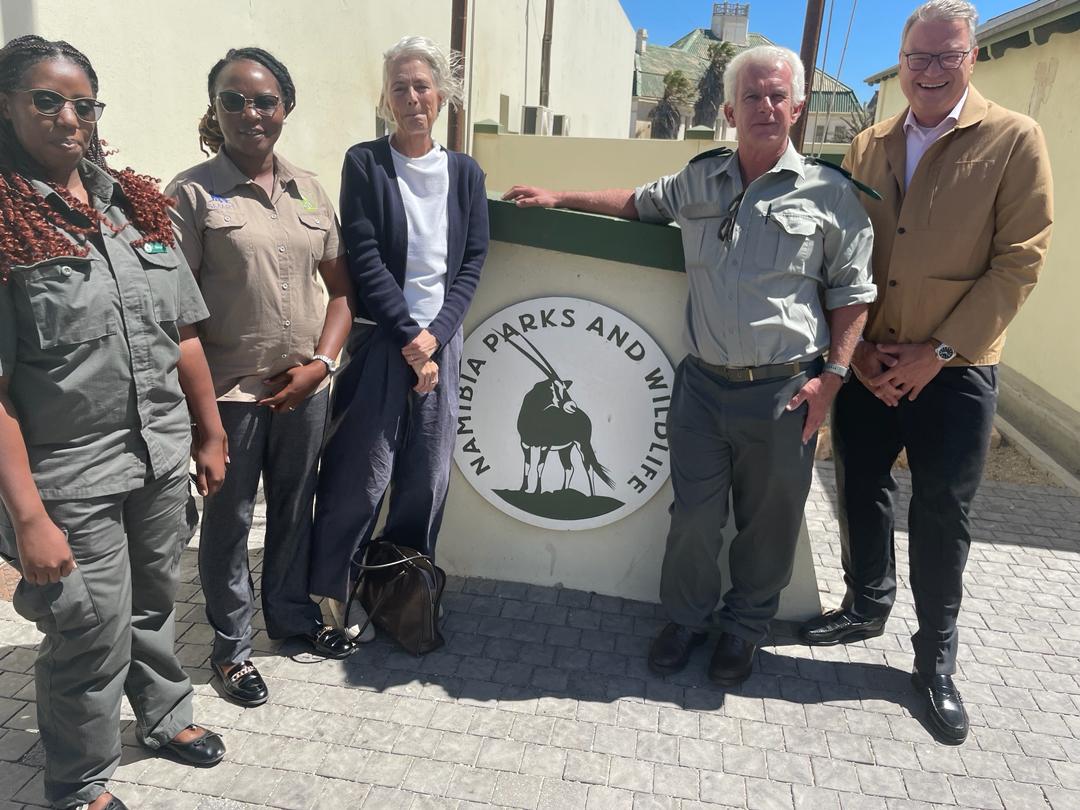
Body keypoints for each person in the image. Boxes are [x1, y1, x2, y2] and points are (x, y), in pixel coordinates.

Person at [504, 45, 876, 685]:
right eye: (752, 97)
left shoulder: (831, 193)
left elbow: (853, 292)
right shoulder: (700, 179)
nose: (765, 107)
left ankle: (744, 630)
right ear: (730, 109)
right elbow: (635, 202)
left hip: (786, 388)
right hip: (702, 387)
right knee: (694, 520)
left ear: (798, 107)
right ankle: (685, 619)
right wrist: (557, 196)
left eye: (777, 96)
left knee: (769, 523)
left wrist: (832, 381)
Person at [798, 0, 1053, 745]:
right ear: (901, 62)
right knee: (859, 487)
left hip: (957, 369)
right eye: (919, 58)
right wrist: (864, 348)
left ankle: (934, 659)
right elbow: (841, 250)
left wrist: (936, 353)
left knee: (943, 511)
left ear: (972, 58)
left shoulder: (1013, 138)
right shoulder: (869, 143)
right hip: (872, 358)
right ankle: (864, 606)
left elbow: (1020, 260)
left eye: (947, 56)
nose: (932, 71)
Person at [0, 35, 229, 810]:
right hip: (67, 475)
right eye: (47, 100)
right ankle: (79, 784)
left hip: (158, 455)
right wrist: (28, 516)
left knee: (156, 602)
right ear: (7, 106)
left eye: (83, 103)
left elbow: (184, 332)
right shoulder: (4, 223)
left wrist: (209, 430)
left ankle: (164, 716)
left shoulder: (135, 205)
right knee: (88, 633)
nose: (70, 118)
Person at [167, 47, 358, 707]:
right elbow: (177, 316)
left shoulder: (309, 187)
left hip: (303, 388)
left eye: (265, 101)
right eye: (234, 100)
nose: (251, 113)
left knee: (294, 509)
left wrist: (321, 366)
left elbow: (341, 292)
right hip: (229, 393)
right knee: (227, 521)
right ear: (215, 109)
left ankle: (292, 618)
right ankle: (231, 649)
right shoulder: (190, 192)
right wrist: (202, 419)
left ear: (286, 108)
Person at [310, 35, 489, 633]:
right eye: (399, 88)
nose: (412, 98)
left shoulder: (465, 173)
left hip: (442, 343)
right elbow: (363, 255)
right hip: (384, 342)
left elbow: (471, 262)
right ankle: (329, 596)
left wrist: (436, 337)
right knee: (361, 473)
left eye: (421, 86)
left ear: (442, 96)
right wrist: (411, 337)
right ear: (386, 100)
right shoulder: (365, 162)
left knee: (427, 477)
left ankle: (401, 594)